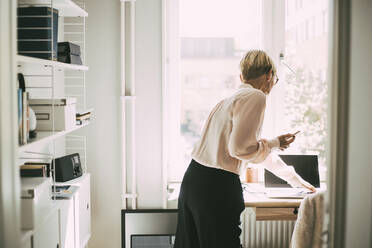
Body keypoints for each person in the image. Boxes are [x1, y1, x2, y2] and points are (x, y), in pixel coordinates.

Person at [173, 50, 316, 248]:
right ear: (269, 76)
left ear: (242, 76)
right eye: (275, 80)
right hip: (216, 187)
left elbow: (255, 151)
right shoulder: (255, 96)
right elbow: (241, 149)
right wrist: (275, 142)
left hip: (193, 181)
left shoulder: (226, 102)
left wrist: (295, 180)